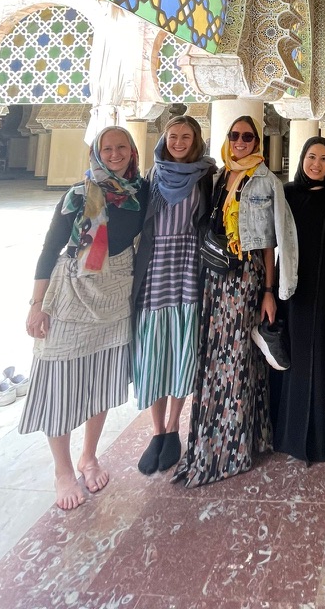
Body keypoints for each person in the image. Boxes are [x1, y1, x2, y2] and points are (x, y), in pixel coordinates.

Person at [20, 126, 147, 511]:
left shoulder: (139, 196)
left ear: (132, 151)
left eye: (121, 147)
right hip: (72, 293)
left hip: (115, 294)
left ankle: (88, 456)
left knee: (101, 377)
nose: (114, 154)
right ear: (96, 152)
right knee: (57, 381)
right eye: (107, 148)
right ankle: (62, 470)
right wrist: (36, 303)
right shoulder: (77, 196)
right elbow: (49, 249)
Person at [172, 115, 297, 487]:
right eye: (235, 136)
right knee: (214, 357)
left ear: (256, 142)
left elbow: (271, 241)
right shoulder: (219, 176)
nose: (240, 142)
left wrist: (270, 292)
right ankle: (214, 441)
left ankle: (233, 447)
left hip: (245, 278)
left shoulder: (265, 180)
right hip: (214, 276)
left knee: (237, 358)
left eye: (247, 137)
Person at [132, 115, 215, 475]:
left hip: (187, 267)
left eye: (186, 137)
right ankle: (155, 430)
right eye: (173, 136)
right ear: (164, 139)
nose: (178, 142)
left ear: (196, 140)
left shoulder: (205, 176)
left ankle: (173, 428)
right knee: (154, 348)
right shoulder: (150, 178)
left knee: (182, 345)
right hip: (155, 268)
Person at [273, 136, 325, 463]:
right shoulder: (286, 194)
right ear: (302, 158)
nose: (317, 164)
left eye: (324, 159)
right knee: (295, 356)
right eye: (311, 157)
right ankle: (289, 432)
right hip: (293, 291)